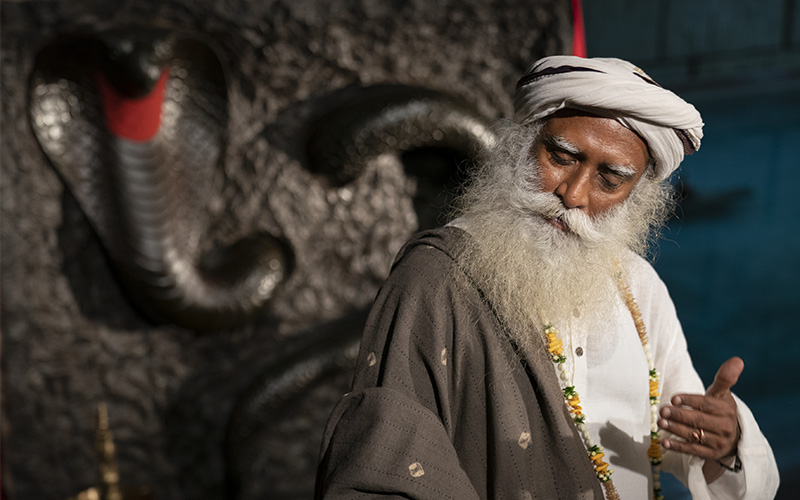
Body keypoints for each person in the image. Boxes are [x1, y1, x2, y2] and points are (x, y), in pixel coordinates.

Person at [314, 56, 780, 499]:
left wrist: (724, 441)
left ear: (635, 196)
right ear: (522, 145)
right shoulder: (435, 279)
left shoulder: (638, 288)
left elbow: (694, 448)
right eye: (561, 156)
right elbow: (387, 463)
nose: (574, 194)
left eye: (610, 180)